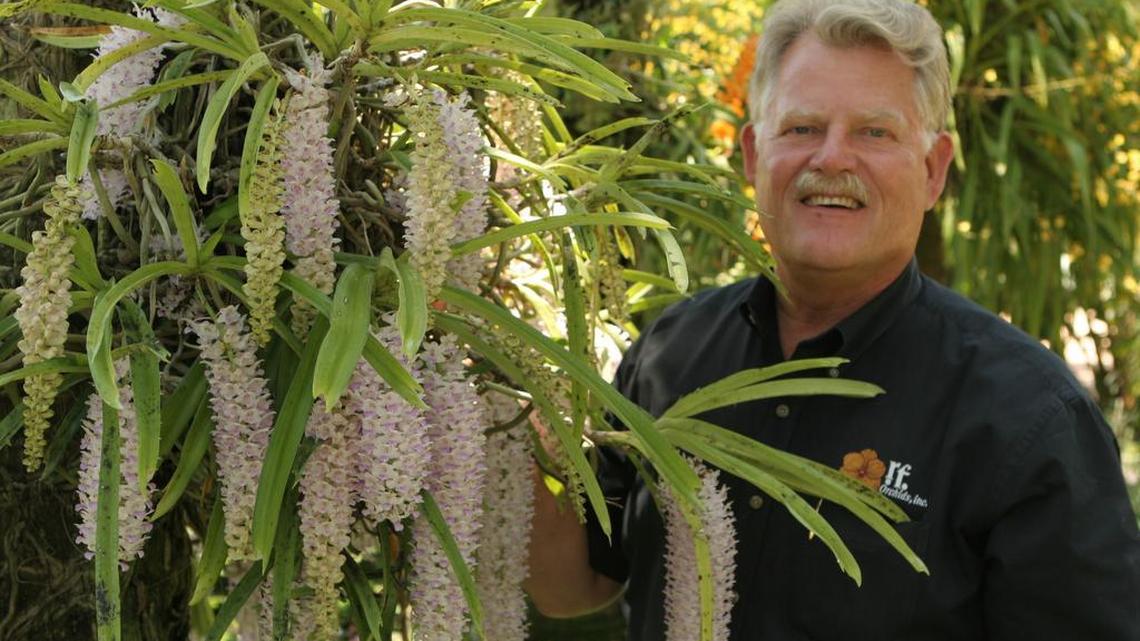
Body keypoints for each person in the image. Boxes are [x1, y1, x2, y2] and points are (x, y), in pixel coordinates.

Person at [525, 0, 1140, 639]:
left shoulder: (1027, 418)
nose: (832, 158)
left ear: (933, 171)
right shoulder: (670, 350)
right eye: (802, 128)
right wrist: (513, 404)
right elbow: (575, 586)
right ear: (752, 155)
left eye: (875, 132)